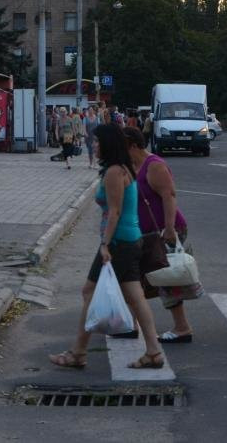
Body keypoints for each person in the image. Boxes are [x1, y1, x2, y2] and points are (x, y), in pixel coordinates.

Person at [49, 123, 166, 370]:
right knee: (135, 297)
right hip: (130, 239)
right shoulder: (123, 169)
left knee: (88, 292)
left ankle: (78, 352)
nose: (93, 145)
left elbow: (114, 211)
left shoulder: (115, 171)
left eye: (97, 141)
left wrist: (105, 245)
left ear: (108, 144)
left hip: (119, 242)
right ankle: (154, 351)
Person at [123, 126, 199, 343]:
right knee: (132, 277)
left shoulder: (154, 165)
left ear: (134, 145)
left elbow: (169, 195)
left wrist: (169, 228)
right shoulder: (132, 165)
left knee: (167, 279)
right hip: (145, 233)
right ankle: (129, 323)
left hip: (166, 231)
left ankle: (182, 327)